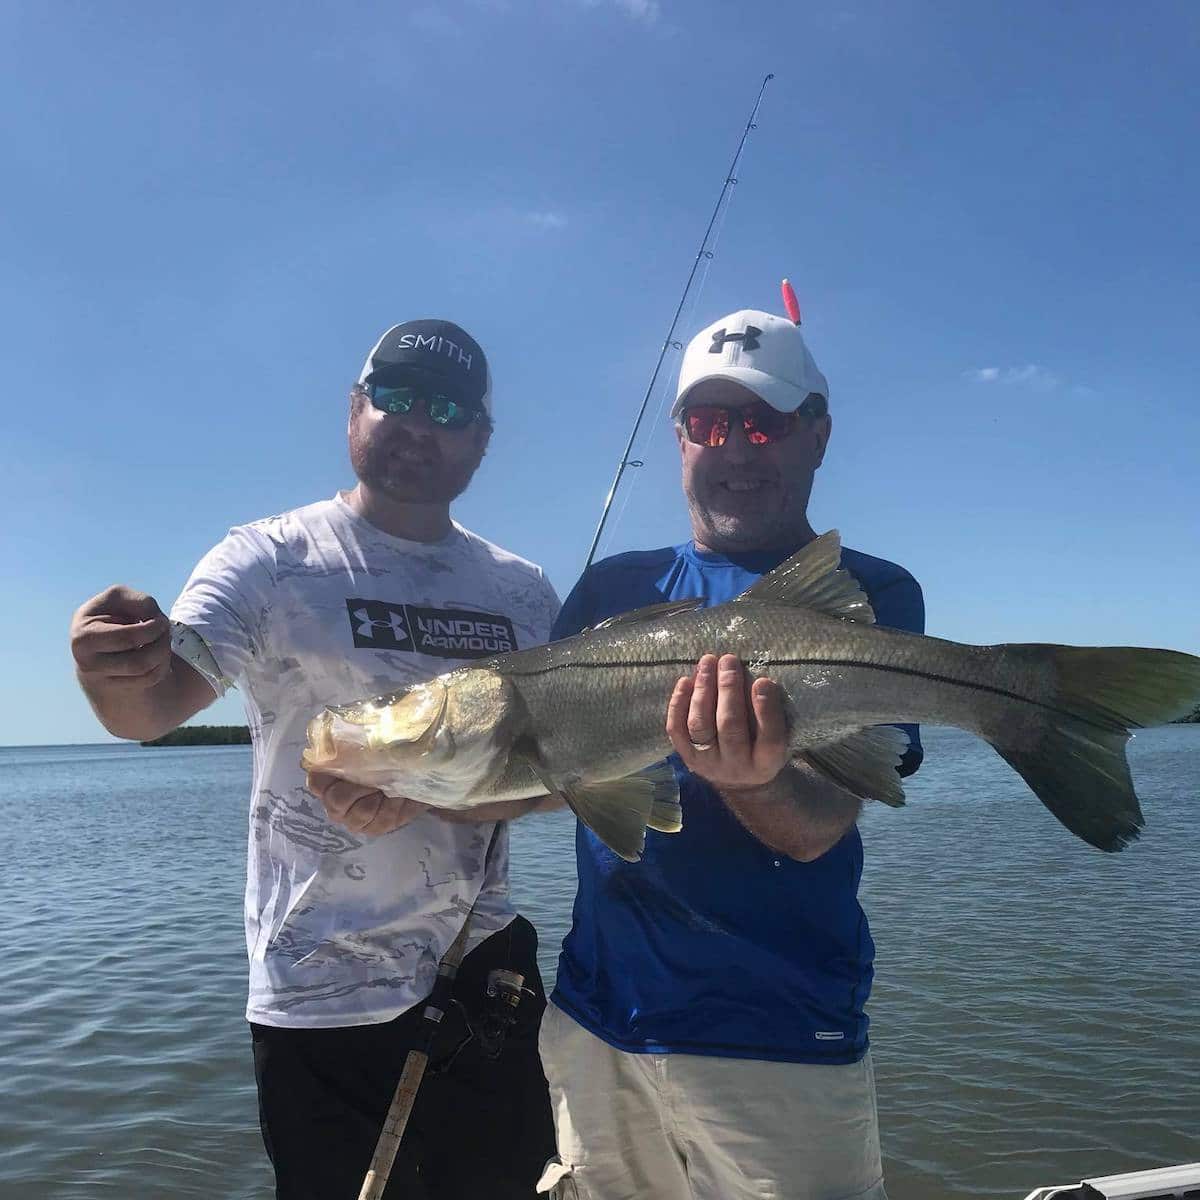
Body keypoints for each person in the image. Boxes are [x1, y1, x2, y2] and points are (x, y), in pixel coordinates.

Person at [70, 319, 560, 1199]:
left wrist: (460, 800)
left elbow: (554, 776)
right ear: (354, 410)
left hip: (483, 967)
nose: (418, 423)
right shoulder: (267, 559)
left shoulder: (522, 590)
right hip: (318, 986)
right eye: (397, 397)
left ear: (480, 441)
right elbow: (149, 711)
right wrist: (115, 667)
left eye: (447, 409)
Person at [536, 309, 924, 1200]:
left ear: (817, 435)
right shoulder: (610, 589)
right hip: (600, 1026)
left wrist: (757, 782)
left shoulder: (870, 594)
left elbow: (819, 827)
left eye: (765, 422)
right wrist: (403, 780)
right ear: (678, 439)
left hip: (781, 1035)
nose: (737, 449)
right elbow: (563, 778)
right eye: (710, 425)